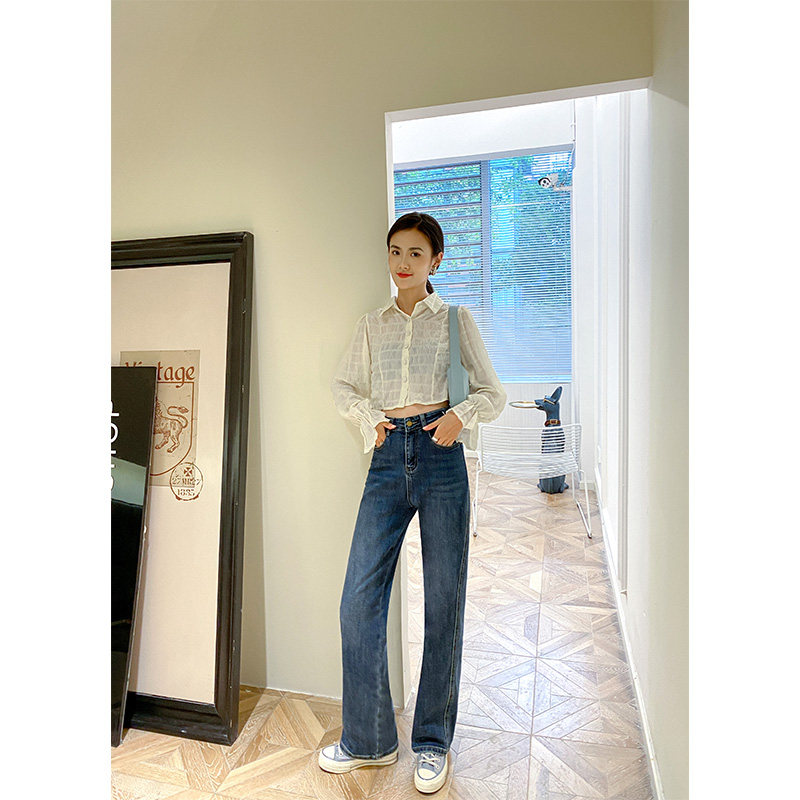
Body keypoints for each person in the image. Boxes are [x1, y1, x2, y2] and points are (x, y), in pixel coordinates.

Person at [319, 211, 506, 794]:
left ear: (435, 261)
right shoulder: (371, 325)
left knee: (443, 601)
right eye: (395, 252)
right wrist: (369, 418)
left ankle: (431, 743)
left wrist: (459, 416)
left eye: (415, 254)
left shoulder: (454, 319)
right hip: (386, 459)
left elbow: (492, 392)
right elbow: (343, 385)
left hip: (441, 457)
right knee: (358, 602)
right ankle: (369, 740)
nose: (402, 263)